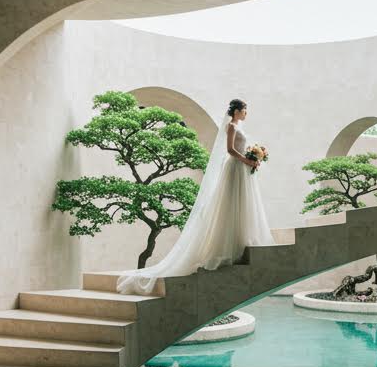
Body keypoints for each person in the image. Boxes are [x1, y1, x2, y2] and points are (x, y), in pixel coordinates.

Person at [116, 98, 274, 295]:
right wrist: (246, 160)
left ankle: (242, 243)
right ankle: (231, 249)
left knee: (242, 205)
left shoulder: (238, 125)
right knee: (232, 203)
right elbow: (230, 150)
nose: (246, 113)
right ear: (237, 111)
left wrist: (254, 158)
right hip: (235, 167)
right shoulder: (232, 126)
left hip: (243, 168)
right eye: (244, 110)